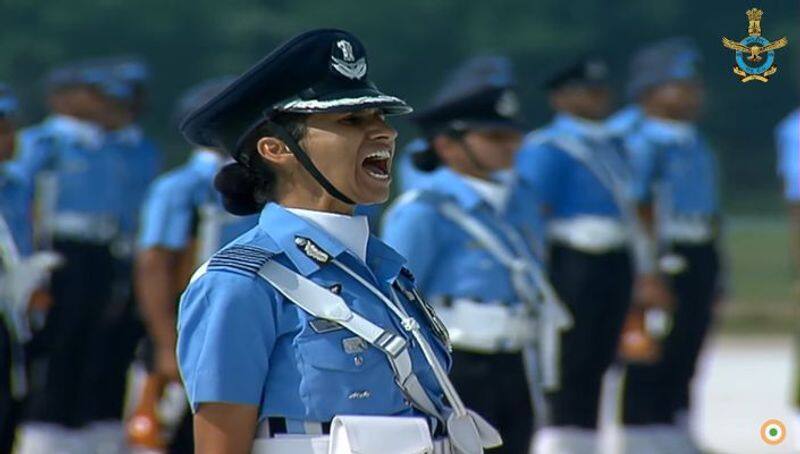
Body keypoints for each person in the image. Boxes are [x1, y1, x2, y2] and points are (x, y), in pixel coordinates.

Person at [176, 29, 502, 454]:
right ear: (276, 147)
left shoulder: (384, 270)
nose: (385, 133)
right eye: (351, 121)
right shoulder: (242, 282)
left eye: (380, 117)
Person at [382, 55, 565, 453]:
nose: (510, 147)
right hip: (456, 364)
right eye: (494, 138)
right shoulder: (423, 210)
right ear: (448, 144)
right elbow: (397, 302)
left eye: (513, 136)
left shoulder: (518, 203)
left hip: (515, 356)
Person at [515, 56, 671, 453]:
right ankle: (562, 435)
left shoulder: (614, 144)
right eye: (588, 91)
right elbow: (535, 211)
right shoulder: (548, 147)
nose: (599, 98)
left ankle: (587, 435)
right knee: (571, 355)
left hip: (614, 257)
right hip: (572, 257)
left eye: (602, 90)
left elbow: (635, 207)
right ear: (561, 98)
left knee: (603, 352)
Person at [11, 61, 155, 453]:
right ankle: (47, 423)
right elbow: (20, 200)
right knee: (58, 337)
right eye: (95, 94)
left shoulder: (115, 144)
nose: (106, 104)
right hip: (58, 248)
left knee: (101, 335)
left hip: (107, 248)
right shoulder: (44, 142)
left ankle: (87, 422)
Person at [130, 76, 258, 452]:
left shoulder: (264, 180)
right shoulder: (181, 187)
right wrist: (166, 344)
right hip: (193, 323)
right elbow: (154, 265)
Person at [618, 38, 722, 453]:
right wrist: (647, 269)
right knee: (652, 343)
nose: (693, 92)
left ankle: (675, 420)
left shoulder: (694, 140)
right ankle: (643, 428)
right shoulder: (639, 139)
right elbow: (637, 206)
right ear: (648, 89)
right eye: (679, 83)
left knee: (689, 340)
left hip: (697, 244)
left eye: (694, 83)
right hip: (663, 249)